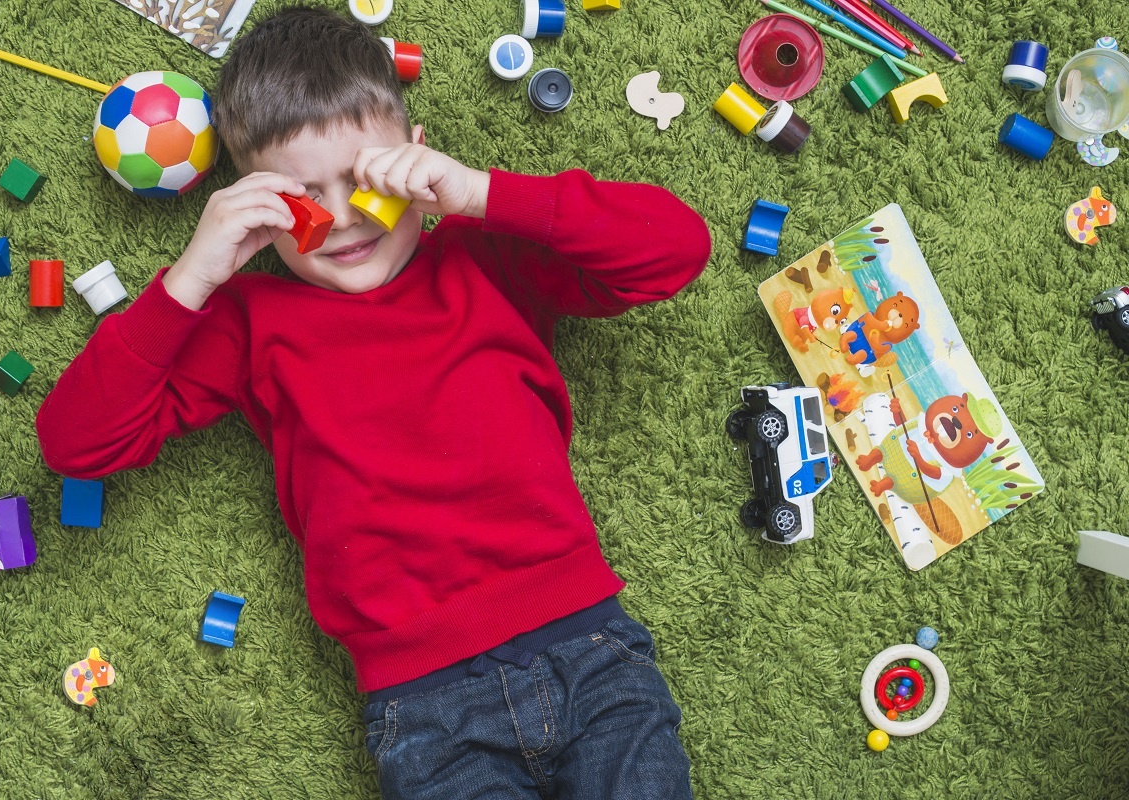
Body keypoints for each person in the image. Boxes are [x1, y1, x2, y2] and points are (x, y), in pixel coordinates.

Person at [36, 6, 711, 798]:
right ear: (254, 205)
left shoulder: (486, 255)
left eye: (366, 180)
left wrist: (480, 193)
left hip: (591, 648)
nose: (348, 217)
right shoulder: (249, 321)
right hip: (425, 705)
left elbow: (675, 252)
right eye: (306, 200)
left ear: (416, 158)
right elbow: (77, 444)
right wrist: (192, 275)